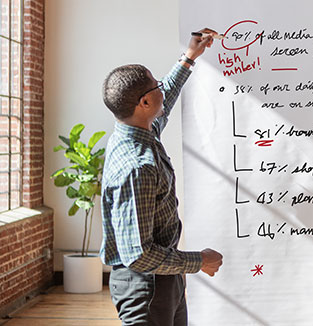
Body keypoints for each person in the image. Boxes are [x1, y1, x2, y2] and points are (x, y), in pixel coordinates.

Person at [100, 28, 223, 326]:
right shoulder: (138, 167)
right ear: (143, 103)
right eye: (155, 86)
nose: (161, 89)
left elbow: (165, 99)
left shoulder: (138, 131)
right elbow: (138, 256)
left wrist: (189, 58)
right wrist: (199, 261)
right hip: (146, 288)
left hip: (165, 278)